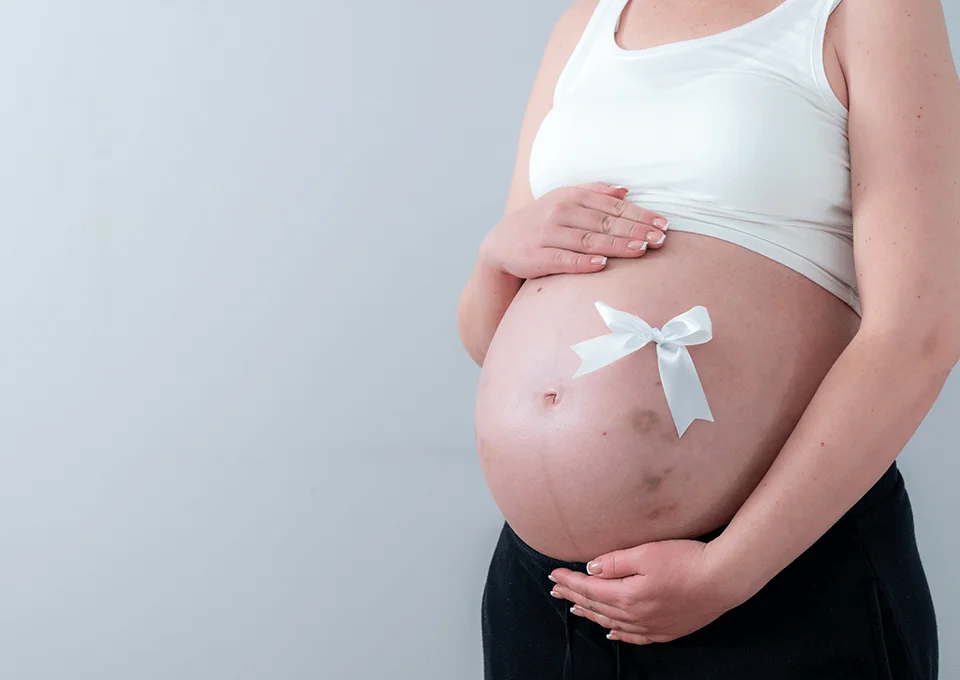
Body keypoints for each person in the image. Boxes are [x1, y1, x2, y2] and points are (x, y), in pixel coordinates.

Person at [456, 0, 960, 678]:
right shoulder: (588, 23)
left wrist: (729, 571)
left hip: (777, 577)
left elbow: (920, 331)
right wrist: (495, 257)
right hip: (550, 597)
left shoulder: (867, 12)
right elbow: (490, 340)